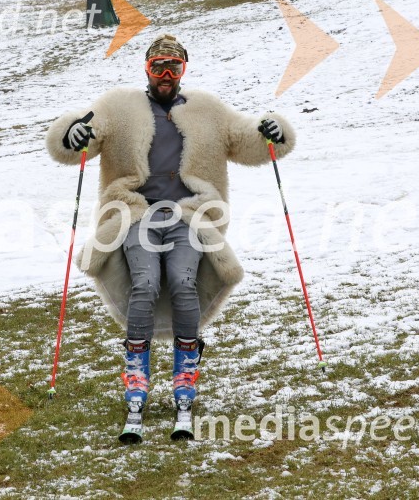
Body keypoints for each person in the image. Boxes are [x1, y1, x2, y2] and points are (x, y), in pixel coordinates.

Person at [45, 33, 296, 443]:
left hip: (190, 216)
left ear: (183, 70)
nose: (166, 75)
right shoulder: (118, 106)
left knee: (183, 282)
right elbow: (80, 138)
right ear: (146, 69)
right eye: (158, 66)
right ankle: (136, 376)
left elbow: (246, 139)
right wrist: (72, 134)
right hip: (135, 213)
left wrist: (273, 132)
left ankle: (185, 373)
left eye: (173, 67)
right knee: (143, 284)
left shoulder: (207, 110)